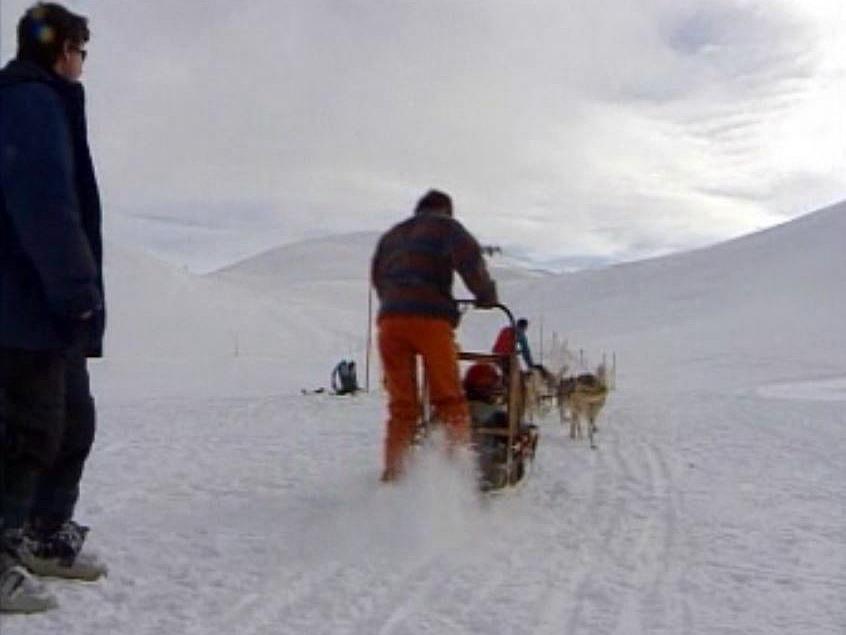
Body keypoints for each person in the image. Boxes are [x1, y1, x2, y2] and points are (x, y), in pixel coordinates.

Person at [0, 2, 106, 613]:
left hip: (43, 304)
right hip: (23, 300)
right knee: (25, 432)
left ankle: (41, 532)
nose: (83, 63)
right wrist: (75, 289)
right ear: (60, 48)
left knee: (71, 420)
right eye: (81, 51)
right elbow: (44, 204)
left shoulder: (48, 105)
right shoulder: (29, 103)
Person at [371, 189, 498, 482]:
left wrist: (397, 302)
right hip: (430, 321)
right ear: (446, 210)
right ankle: (456, 476)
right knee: (449, 399)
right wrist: (485, 295)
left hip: (390, 324)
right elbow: (470, 261)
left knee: (402, 406)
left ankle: (395, 475)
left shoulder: (391, 237)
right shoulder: (446, 227)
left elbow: (379, 279)